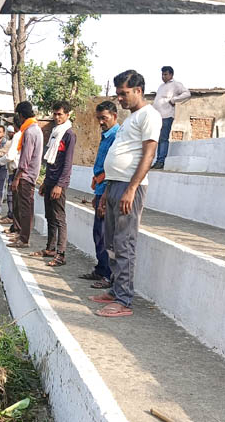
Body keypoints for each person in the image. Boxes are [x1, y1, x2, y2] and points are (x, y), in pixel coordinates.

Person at [91, 69, 160, 318]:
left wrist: (131, 188)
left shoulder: (149, 116)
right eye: (118, 94)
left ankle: (124, 300)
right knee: (110, 241)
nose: (119, 99)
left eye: (123, 93)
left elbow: (148, 155)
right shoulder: (131, 119)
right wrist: (107, 190)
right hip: (114, 185)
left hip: (130, 187)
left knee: (124, 242)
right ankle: (114, 289)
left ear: (138, 91)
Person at [80, 100, 119, 285]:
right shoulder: (106, 135)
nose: (101, 122)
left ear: (114, 116)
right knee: (98, 232)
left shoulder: (116, 136)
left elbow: (114, 167)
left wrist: (103, 193)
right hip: (101, 188)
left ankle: (108, 274)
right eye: (99, 119)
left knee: (105, 234)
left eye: (104, 118)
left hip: (108, 190)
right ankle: (101, 269)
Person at [32, 100, 76, 267]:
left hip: (59, 183)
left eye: (60, 114)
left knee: (59, 218)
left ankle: (61, 253)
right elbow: (51, 161)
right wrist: (45, 182)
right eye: (55, 114)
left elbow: (67, 162)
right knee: (49, 216)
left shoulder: (69, 134)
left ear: (68, 114)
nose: (57, 117)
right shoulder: (54, 132)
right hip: (50, 180)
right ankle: (50, 248)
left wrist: (60, 184)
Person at [7, 102, 43, 249]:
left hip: (26, 175)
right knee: (26, 207)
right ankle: (22, 236)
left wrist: (17, 178)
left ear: (21, 116)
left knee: (25, 208)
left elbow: (25, 158)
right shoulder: (36, 129)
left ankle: (24, 239)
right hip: (31, 174)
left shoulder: (29, 131)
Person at [152, 66, 190, 168]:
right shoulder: (161, 86)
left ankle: (161, 161)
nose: (163, 76)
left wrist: (174, 100)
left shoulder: (176, 84)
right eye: (162, 74)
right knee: (158, 139)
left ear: (171, 75)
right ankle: (157, 160)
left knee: (163, 138)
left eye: (165, 74)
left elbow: (187, 93)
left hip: (167, 115)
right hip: (157, 116)